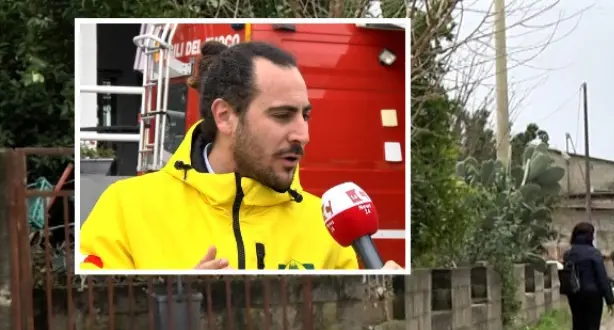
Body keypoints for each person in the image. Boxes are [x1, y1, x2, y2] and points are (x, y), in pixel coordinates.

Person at [78, 40, 401, 272]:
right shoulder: (127, 207)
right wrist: (175, 304)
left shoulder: (324, 225)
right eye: (282, 115)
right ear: (225, 116)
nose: (303, 135)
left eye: (305, 115)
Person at [561, 222, 614, 330]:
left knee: (577, 328)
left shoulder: (569, 254)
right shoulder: (594, 254)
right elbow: (602, 278)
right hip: (593, 295)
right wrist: (610, 300)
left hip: (574, 294)